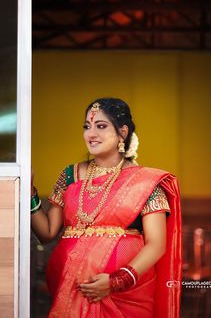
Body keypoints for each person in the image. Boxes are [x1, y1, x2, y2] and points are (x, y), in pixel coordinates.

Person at [31, 98, 182, 318]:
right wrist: (30, 193)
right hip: (68, 290)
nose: (90, 134)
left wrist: (116, 281)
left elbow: (156, 244)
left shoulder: (144, 182)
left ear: (122, 132)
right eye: (87, 126)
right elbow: (46, 233)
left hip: (126, 296)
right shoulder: (70, 175)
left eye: (101, 126)